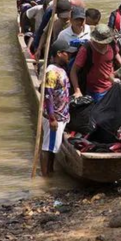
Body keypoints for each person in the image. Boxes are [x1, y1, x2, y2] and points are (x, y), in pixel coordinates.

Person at [40, 38, 72, 177]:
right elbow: (47, 95)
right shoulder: (52, 72)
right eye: (67, 53)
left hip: (61, 116)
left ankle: (50, 172)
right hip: (54, 117)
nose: (69, 55)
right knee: (47, 147)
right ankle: (46, 177)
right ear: (59, 53)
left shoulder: (61, 70)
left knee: (53, 147)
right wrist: (52, 118)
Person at [70, 24, 121, 102]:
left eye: (106, 42)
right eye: (102, 43)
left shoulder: (112, 44)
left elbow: (116, 54)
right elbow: (74, 71)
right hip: (96, 91)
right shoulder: (86, 49)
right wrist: (77, 90)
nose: (104, 44)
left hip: (112, 85)